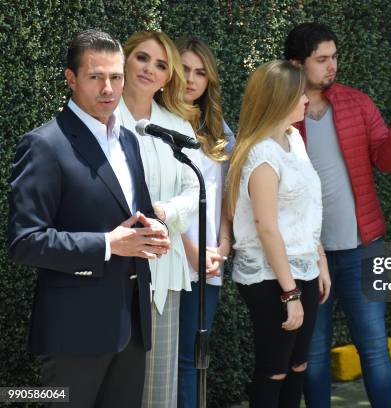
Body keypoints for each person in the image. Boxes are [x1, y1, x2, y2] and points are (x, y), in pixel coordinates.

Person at [7, 29, 170, 407]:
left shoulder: (128, 139)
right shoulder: (44, 145)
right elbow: (24, 241)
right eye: (96, 77)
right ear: (71, 78)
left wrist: (154, 229)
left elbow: (136, 213)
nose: (108, 89)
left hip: (131, 327)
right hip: (73, 336)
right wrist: (107, 245)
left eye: (116, 77)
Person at [284, 22, 391, 408]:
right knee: (315, 355)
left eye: (334, 57)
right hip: (308, 255)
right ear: (297, 63)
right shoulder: (283, 111)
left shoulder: (357, 103)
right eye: (322, 59)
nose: (332, 66)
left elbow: (387, 163)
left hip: (364, 249)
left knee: (375, 349)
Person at [226, 59, 331, 408]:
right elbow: (267, 227)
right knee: (275, 372)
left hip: (302, 269)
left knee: (298, 367)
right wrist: (290, 293)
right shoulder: (262, 154)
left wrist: (320, 261)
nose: (305, 100)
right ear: (280, 99)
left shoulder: (292, 139)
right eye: (299, 94)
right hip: (270, 278)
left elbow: (304, 210)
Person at [114, 31, 200, 407]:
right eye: (142, 58)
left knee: (158, 386)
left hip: (163, 269)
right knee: (111, 383)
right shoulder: (100, 117)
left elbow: (193, 189)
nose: (150, 69)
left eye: (161, 64)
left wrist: (165, 213)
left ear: (169, 77)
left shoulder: (177, 126)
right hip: (110, 269)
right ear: (125, 61)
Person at [175, 37, 235, 408]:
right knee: (172, 358)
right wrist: (191, 249)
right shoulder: (154, 122)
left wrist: (225, 241)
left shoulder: (219, 130)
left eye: (200, 72)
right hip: (171, 256)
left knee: (195, 358)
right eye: (184, 70)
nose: (192, 79)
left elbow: (227, 194)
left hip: (209, 261)